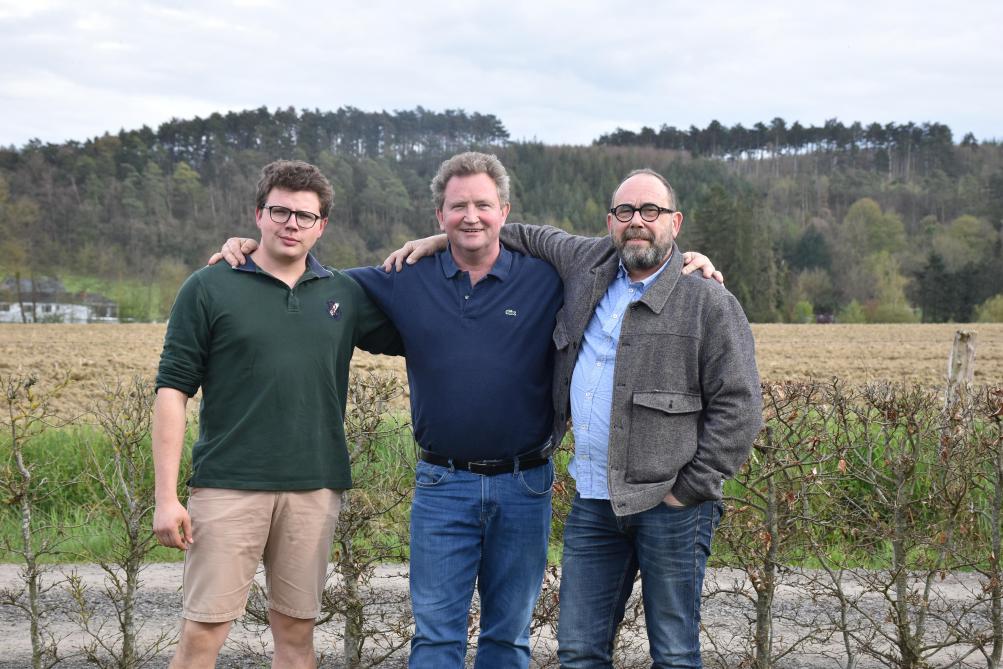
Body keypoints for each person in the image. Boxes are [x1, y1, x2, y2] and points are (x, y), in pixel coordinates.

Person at [213, 154, 721, 669]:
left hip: (525, 484)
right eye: (458, 207)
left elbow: (633, 257)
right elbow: (319, 280)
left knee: (509, 640)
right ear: (439, 216)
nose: (471, 216)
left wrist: (687, 261)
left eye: (483, 205)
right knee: (435, 639)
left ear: (504, 210)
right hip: (442, 485)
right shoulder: (404, 277)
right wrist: (258, 251)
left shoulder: (548, 277)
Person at [387, 168, 761, 668]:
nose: (637, 222)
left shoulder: (707, 300)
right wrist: (446, 238)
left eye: (650, 211)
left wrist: (690, 488)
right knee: (579, 651)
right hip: (594, 501)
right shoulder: (586, 262)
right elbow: (519, 232)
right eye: (625, 212)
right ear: (610, 221)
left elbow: (739, 405)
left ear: (675, 221)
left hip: (671, 504)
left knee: (673, 652)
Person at [152, 160, 403, 669]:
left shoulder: (343, 293)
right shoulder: (208, 287)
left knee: (296, 635)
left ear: (322, 225)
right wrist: (165, 497)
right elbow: (172, 391)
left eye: (304, 216)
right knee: (203, 633)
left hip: (312, 488)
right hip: (228, 485)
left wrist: (439, 243)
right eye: (280, 211)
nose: (292, 224)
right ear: (258, 215)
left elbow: (426, 324)